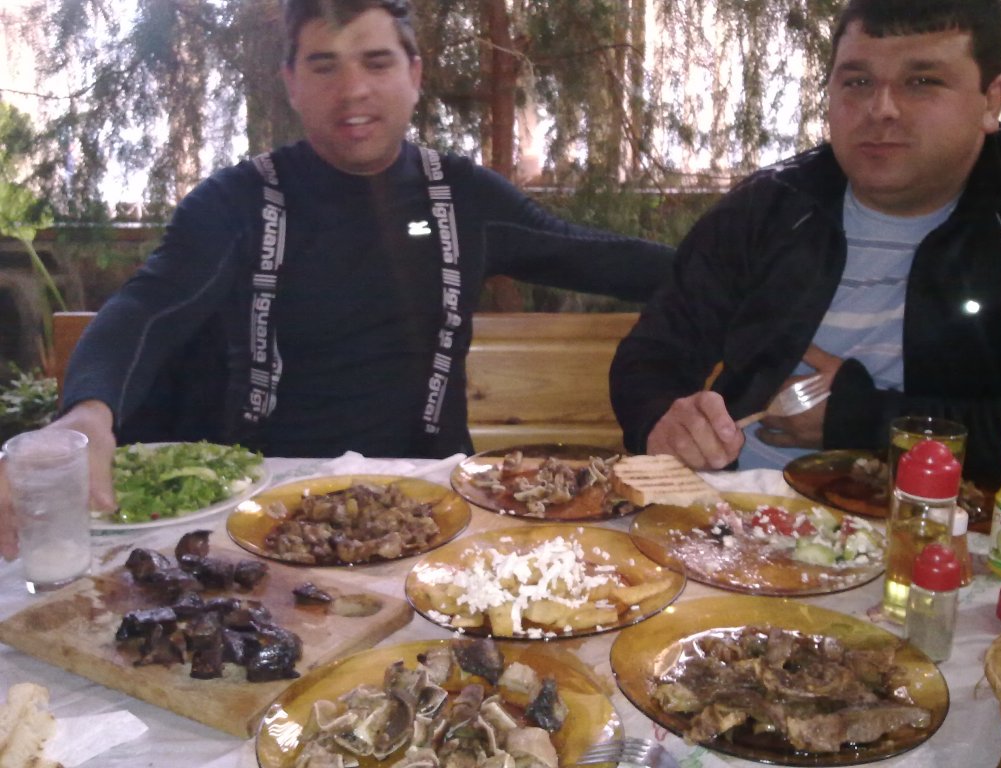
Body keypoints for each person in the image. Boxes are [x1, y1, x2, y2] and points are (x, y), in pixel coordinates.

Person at [0, 0, 673, 558]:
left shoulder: (463, 198)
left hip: (427, 505)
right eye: (324, 65)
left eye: (376, 62)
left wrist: (734, 269)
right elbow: (145, 309)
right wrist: (86, 414)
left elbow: (604, 257)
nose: (352, 90)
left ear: (414, 73)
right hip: (261, 513)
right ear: (291, 82)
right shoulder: (234, 204)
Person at [610, 0, 1001, 491]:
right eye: (857, 82)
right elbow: (654, 353)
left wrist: (862, 420)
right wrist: (663, 418)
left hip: (951, 521)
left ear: (991, 100)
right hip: (742, 507)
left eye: (921, 81)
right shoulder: (769, 208)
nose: (881, 109)